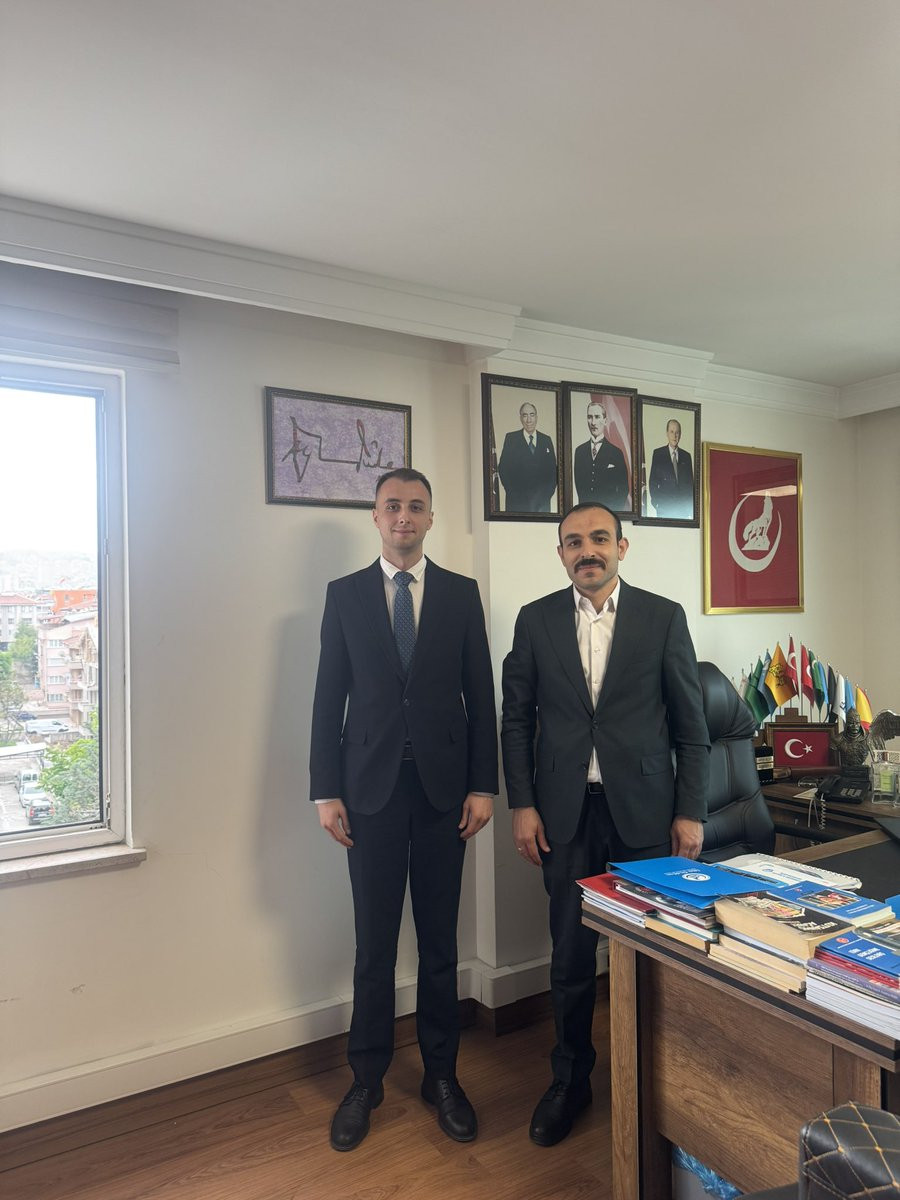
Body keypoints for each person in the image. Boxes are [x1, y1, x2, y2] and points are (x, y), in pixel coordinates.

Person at [500, 502, 709, 1147]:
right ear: (560, 553)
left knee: (652, 953)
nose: (586, 551)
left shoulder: (663, 617)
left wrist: (690, 811)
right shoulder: (535, 620)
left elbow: (691, 727)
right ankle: (570, 1080)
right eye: (573, 542)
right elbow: (517, 721)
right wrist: (522, 804)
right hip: (564, 814)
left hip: (646, 815)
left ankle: (657, 1083)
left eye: (598, 539)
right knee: (569, 956)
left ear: (622, 546)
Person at [310, 467, 498, 1152]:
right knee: (375, 945)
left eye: (416, 507)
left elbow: (480, 693)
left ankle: (442, 1075)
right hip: (368, 795)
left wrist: (484, 785)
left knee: (440, 942)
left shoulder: (460, 594)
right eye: (393, 506)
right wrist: (325, 790)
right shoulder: (345, 596)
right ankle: (366, 1080)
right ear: (375, 515)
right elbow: (329, 696)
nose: (404, 517)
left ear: (430, 517)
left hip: (445, 794)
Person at [497, 401, 558, 512]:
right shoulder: (511, 439)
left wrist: (546, 495)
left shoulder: (546, 440)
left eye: (532, 415)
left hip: (542, 505)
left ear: (536, 417)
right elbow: (503, 469)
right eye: (525, 415)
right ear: (520, 418)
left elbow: (553, 472)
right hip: (516, 503)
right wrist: (513, 494)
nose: (529, 420)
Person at [572, 398, 630, 510]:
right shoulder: (579, 451)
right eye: (590, 417)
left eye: (597, 417)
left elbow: (623, 489)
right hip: (586, 513)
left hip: (607, 513)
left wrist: (612, 511)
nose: (593, 422)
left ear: (605, 420)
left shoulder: (616, 453)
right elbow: (580, 488)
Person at [648, 418, 694, 518]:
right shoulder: (658, 454)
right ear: (667, 433)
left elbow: (690, 485)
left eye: (677, 432)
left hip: (683, 511)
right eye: (672, 432)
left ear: (680, 435)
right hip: (664, 509)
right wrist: (657, 504)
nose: (674, 435)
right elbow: (653, 482)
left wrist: (689, 508)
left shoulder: (687, 456)